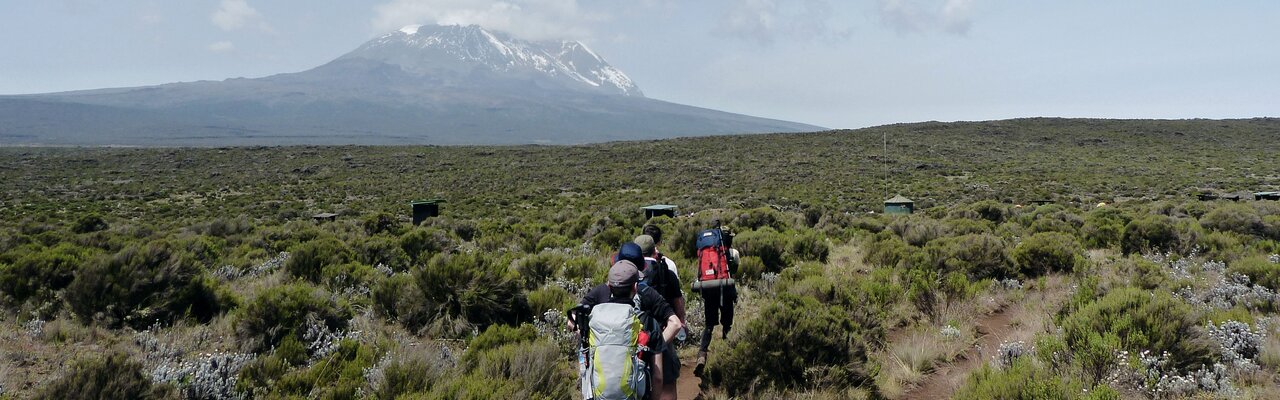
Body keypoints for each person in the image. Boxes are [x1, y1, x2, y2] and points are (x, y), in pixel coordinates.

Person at [570, 256, 683, 399]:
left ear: (609, 286)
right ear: (635, 287)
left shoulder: (593, 321)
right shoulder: (647, 322)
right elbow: (658, 377)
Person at [634, 233, 685, 400]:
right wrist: (681, 322)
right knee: (668, 381)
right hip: (664, 334)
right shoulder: (666, 272)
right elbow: (678, 302)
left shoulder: (628, 274)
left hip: (634, 338)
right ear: (654, 251)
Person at [695, 221, 738, 376]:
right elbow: (734, 271)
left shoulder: (706, 251)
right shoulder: (731, 254)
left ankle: (701, 355)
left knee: (709, 325)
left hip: (709, 288)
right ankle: (727, 357)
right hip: (726, 288)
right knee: (727, 324)